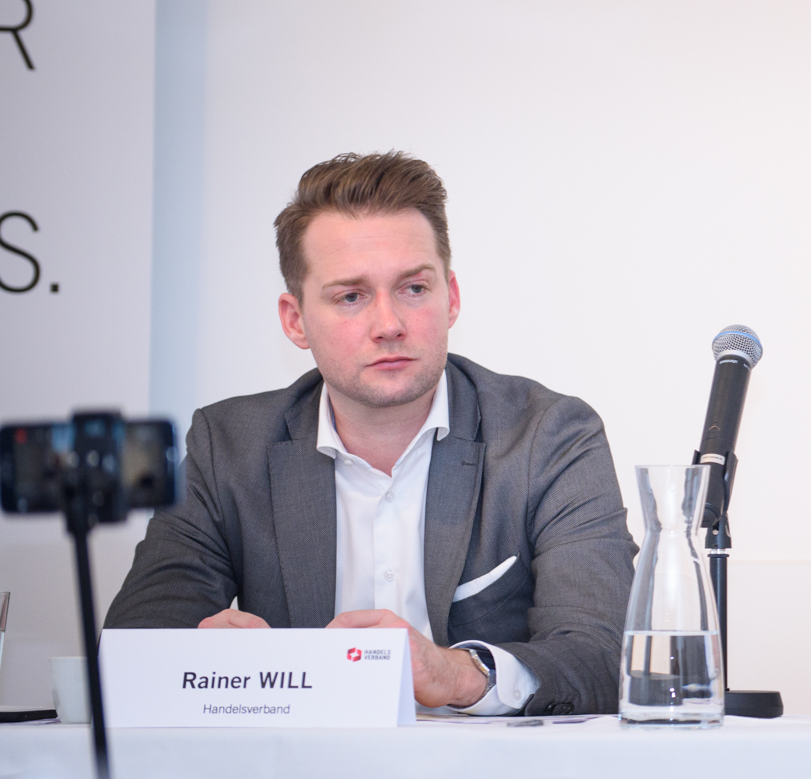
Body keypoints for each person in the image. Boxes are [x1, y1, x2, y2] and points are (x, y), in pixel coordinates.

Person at [106, 152, 635, 715]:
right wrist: (205, 659)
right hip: (300, 769)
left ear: (452, 298)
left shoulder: (549, 437)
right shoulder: (228, 448)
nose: (389, 325)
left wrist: (459, 673)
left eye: (414, 288)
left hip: (490, 769)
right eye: (351, 297)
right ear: (294, 320)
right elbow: (132, 649)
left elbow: (603, 657)